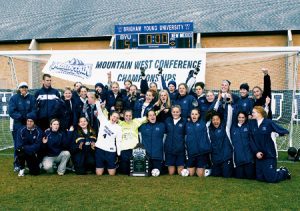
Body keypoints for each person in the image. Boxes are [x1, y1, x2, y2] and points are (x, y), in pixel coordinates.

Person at [249, 106, 291, 183]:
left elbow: (284, 131)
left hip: (269, 154)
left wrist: (279, 134)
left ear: (259, 113)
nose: (252, 114)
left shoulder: (268, 122)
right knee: (260, 178)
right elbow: (251, 140)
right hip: (259, 155)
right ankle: (275, 170)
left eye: (253, 112)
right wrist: (256, 152)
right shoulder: (252, 124)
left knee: (271, 179)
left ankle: (284, 171)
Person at [8, 81, 36, 171]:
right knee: (18, 144)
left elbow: (34, 110)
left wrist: (28, 118)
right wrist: (21, 117)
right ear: (19, 89)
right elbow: (11, 111)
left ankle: (29, 163)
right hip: (18, 125)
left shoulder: (32, 98)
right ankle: (17, 164)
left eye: (25, 87)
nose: (23, 88)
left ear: (27, 88)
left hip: (30, 125)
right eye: (22, 87)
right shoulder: (14, 98)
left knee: (29, 143)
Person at [207, 93, 234, 178]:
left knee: (226, 175)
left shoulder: (225, 127)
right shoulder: (209, 128)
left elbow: (228, 115)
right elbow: (211, 113)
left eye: (217, 119)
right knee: (216, 175)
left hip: (226, 157)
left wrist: (228, 103)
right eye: (213, 120)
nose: (215, 121)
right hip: (215, 157)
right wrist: (218, 100)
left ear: (220, 120)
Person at [94, 101, 122, 176]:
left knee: (112, 174)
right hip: (100, 149)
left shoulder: (118, 128)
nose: (114, 118)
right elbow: (99, 110)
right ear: (110, 116)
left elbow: (118, 141)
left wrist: (118, 154)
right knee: (99, 173)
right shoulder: (103, 121)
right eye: (113, 116)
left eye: (117, 117)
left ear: (118, 119)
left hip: (111, 151)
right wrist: (97, 101)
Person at [185, 108, 211, 177]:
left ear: (199, 115)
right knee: (190, 174)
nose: (194, 116)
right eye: (192, 114)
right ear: (190, 115)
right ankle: (197, 168)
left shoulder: (203, 122)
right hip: (191, 153)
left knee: (200, 175)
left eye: (196, 114)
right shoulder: (187, 124)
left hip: (201, 153)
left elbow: (211, 110)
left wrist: (218, 99)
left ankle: (208, 169)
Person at [230, 111, 255, 179]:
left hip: (248, 158)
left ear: (246, 118)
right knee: (239, 177)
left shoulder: (249, 126)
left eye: (243, 117)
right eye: (239, 117)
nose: (241, 119)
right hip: (238, 159)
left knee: (250, 176)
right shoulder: (233, 127)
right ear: (237, 118)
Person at [164, 105, 186, 175]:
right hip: (169, 149)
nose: (175, 113)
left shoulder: (184, 121)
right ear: (171, 112)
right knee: (171, 173)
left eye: (177, 112)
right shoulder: (167, 120)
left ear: (180, 112)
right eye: (173, 112)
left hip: (180, 149)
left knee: (180, 173)